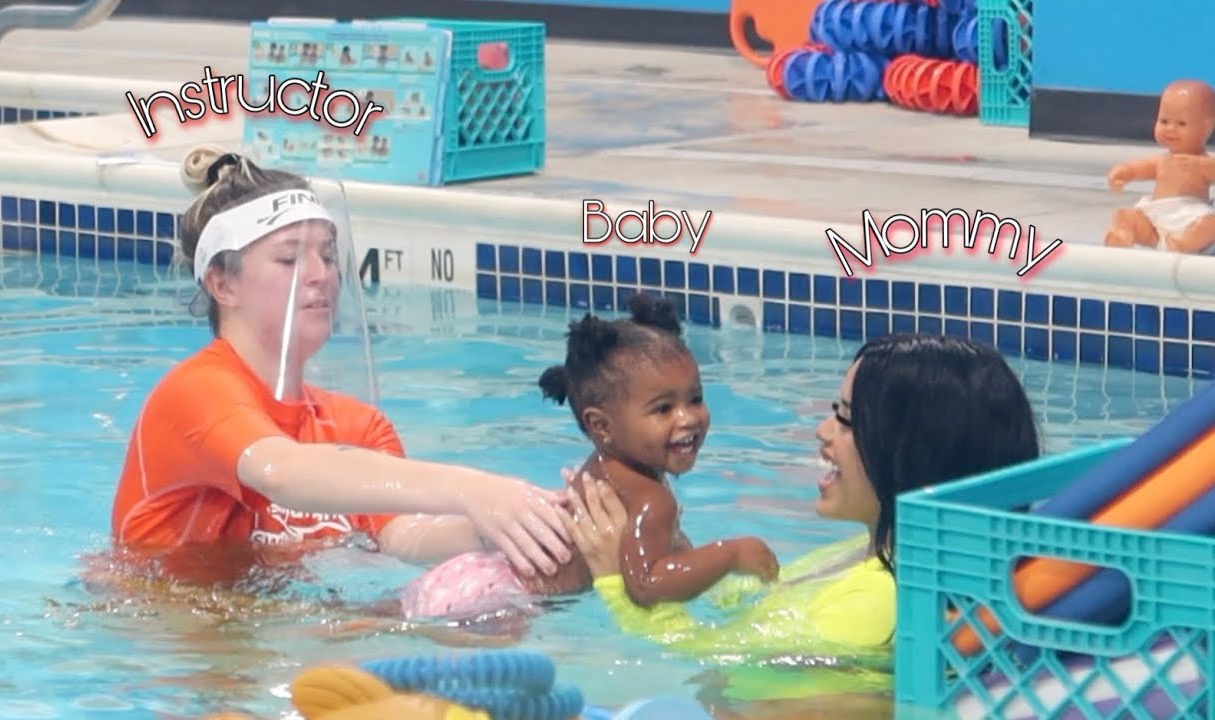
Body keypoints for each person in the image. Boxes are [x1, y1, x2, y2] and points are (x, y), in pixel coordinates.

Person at [108, 145, 572, 587]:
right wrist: (475, 489)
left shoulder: (357, 427)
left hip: (278, 621)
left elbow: (402, 536)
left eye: (328, 255)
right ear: (222, 285)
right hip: (168, 629)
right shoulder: (195, 391)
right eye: (289, 258)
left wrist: (515, 524)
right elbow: (279, 473)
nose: (321, 274)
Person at [563, 333, 1040, 668]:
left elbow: (707, 659)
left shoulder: (883, 601)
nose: (822, 431)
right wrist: (688, 558)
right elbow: (759, 606)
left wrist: (613, 583)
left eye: (846, 420)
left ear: (909, 452)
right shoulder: (872, 554)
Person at [393, 292, 778, 622]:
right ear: (602, 426)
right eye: (663, 409)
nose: (687, 418)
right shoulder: (651, 499)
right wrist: (731, 554)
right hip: (502, 600)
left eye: (695, 399)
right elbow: (647, 585)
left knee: (379, 620)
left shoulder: (609, 469)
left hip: (473, 573)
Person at [1104, 79, 1215, 254]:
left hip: (1189, 216)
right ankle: (1121, 238)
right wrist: (1124, 172)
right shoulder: (1162, 160)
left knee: (1210, 224)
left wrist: (1202, 166)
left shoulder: (1203, 163)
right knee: (1124, 216)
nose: (1170, 128)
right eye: (1164, 121)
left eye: (1181, 124)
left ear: (1206, 127)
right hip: (1155, 216)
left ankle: (1181, 245)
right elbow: (1140, 168)